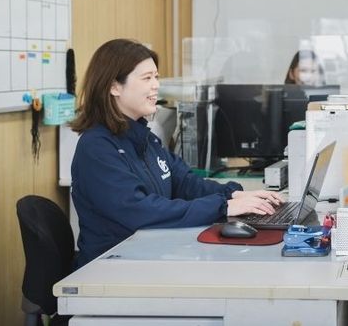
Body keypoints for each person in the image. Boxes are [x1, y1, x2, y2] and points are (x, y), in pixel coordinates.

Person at [70, 39, 284, 268]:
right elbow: (141, 211)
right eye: (146, 78)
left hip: (147, 257)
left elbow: (186, 184)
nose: (155, 86)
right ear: (114, 87)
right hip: (111, 268)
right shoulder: (97, 148)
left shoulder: (145, 138)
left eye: (156, 77)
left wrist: (233, 195)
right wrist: (223, 207)